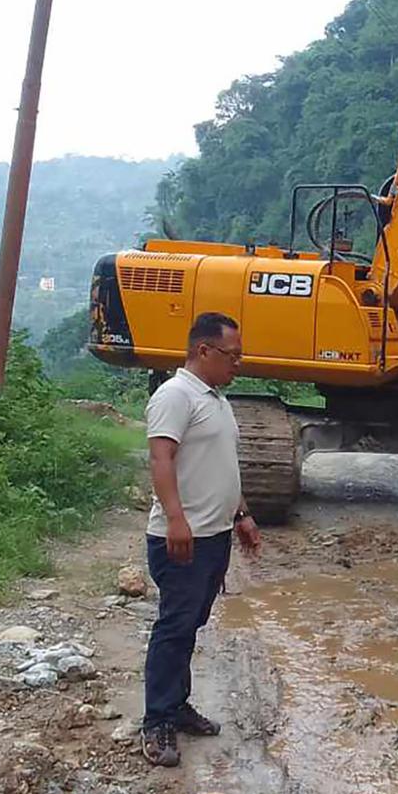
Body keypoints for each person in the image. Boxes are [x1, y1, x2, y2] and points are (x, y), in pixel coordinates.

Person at [139, 311, 262, 766]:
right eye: (232, 355)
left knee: (191, 624)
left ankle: (178, 704)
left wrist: (243, 514)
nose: (238, 364)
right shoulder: (175, 396)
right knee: (174, 627)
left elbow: (221, 467)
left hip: (214, 535)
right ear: (203, 351)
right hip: (182, 538)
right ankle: (157, 722)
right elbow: (160, 460)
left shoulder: (217, 399)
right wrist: (176, 519)